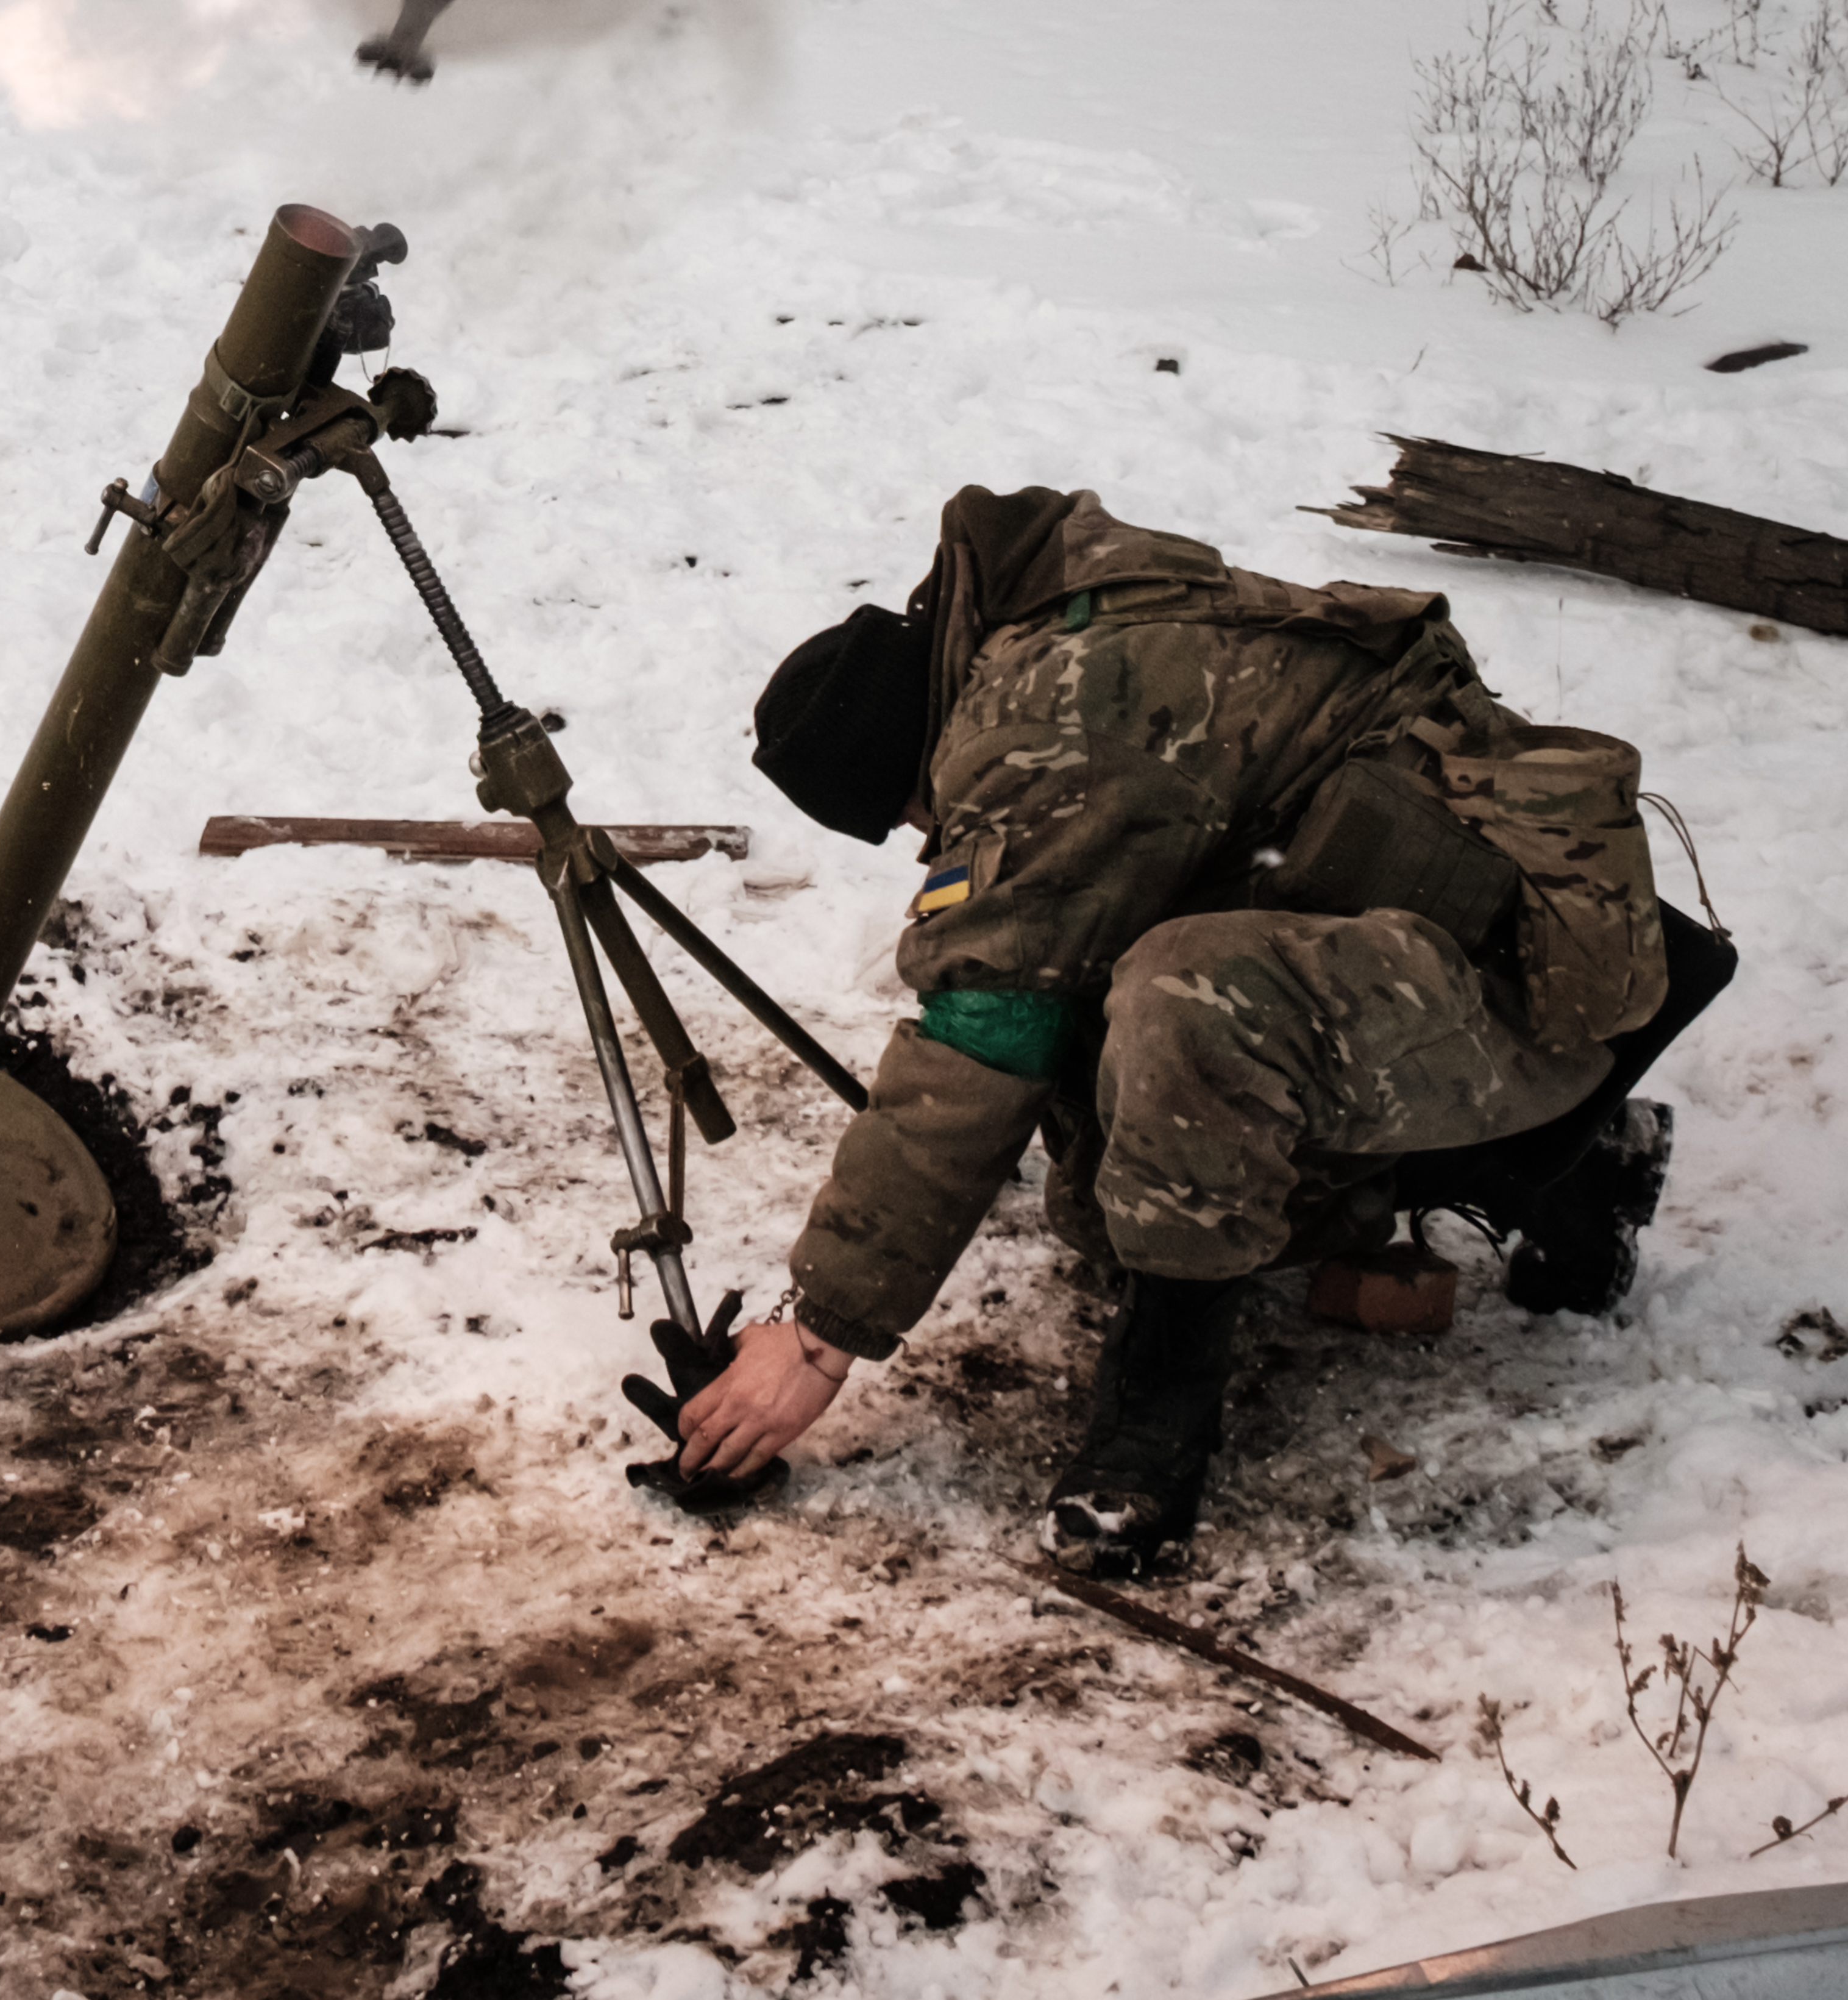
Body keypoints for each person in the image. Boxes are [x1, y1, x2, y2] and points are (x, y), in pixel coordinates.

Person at [678, 485, 1731, 1575]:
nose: (922, 835)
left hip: (1517, 986)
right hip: (1401, 959)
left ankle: (1161, 1411)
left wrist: (818, 1334)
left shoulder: (1049, 726)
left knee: (1185, 1004)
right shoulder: (1033, 654)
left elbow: (981, 1036)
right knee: (1110, 1182)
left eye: (906, 818)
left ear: (902, 761)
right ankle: (1573, 1169)